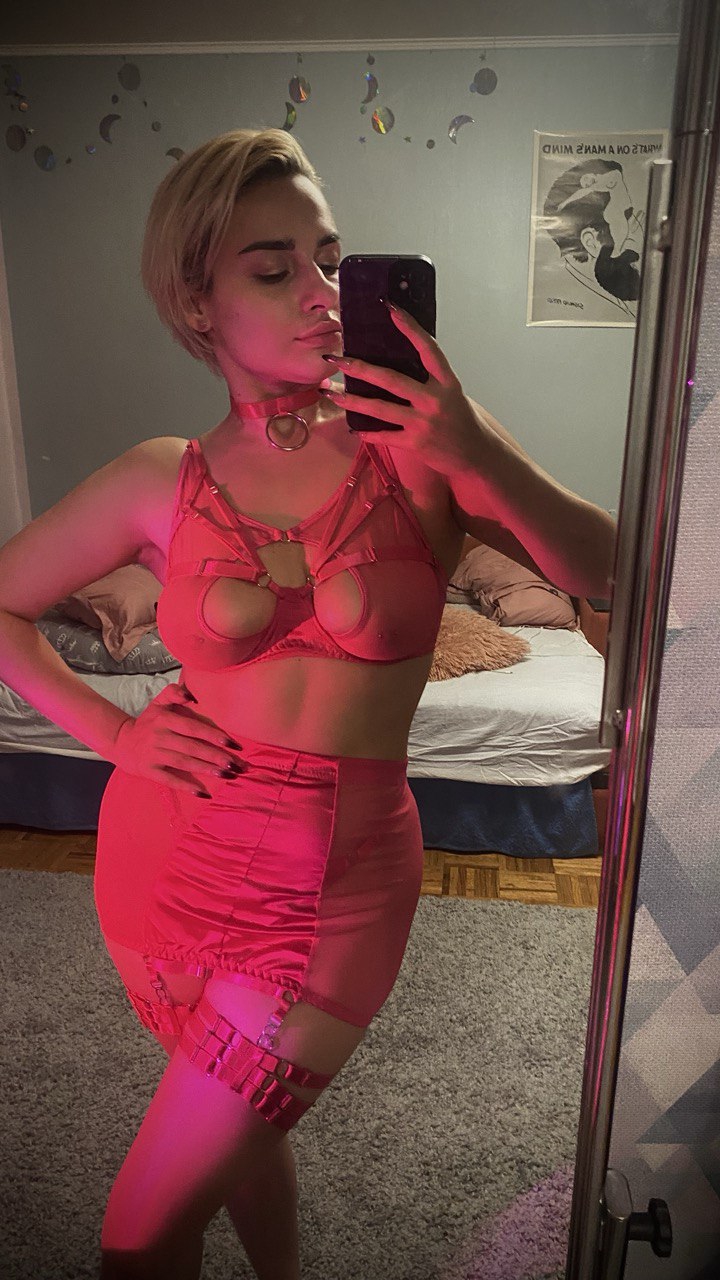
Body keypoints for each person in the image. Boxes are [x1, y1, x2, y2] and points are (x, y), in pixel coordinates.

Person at [0, 128, 616, 1279]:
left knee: (138, 1229)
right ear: (198, 300)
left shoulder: (418, 452)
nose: (321, 293)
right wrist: (116, 731)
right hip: (161, 859)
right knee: (232, 1136)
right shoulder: (162, 474)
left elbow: (613, 569)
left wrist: (481, 448)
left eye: (331, 259)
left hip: (337, 881)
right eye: (273, 268)